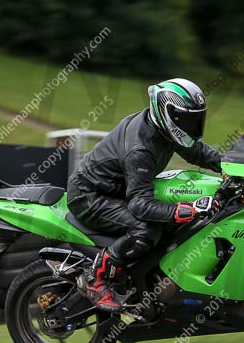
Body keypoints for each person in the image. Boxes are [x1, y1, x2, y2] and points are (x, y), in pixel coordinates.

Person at [67, 78, 223, 312]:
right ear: (167, 114)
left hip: (117, 189)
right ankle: (94, 279)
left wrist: (232, 167)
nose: (193, 126)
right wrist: (185, 209)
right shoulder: (141, 149)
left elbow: (197, 152)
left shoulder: (164, 129)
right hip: (90, 195)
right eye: (188, 120)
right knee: (146, 229)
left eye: (196, 119)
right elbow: (140, 205)